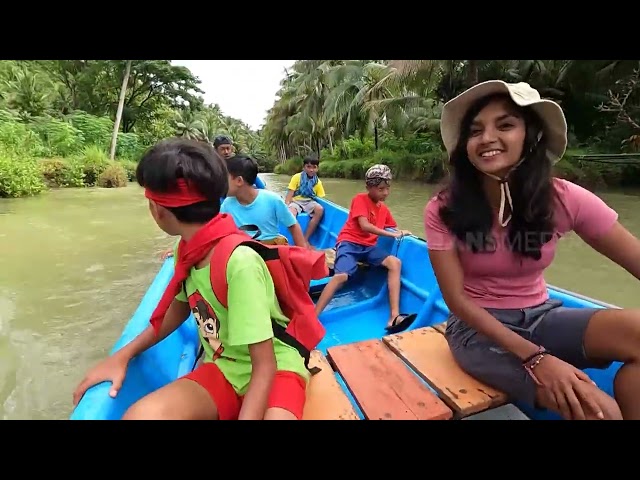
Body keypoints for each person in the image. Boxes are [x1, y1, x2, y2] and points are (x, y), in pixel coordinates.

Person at [424, 79, 640, 421]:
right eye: (475, 130)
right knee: (601, 411)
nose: (488, 138)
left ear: (532, 135)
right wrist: (536, 358)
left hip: (542, 314)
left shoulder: (564, 199)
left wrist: (539, 351)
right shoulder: (444, 208)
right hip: (477, 330)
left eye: (506, 125)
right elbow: (457, 302)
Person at [72, 138, 310, 420]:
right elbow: (179, 309)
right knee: (141, 416)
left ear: (157, 209)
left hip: (277, 370)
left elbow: (265, 366)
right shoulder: (187, 248)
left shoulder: (240, 263)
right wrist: (123, 354)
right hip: (223, 367)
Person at [314, 164, 415, 332]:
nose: (385, 193)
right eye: (381, 189)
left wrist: (401, 232)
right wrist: (393, 235)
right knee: (341, 276)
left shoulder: (384, 209)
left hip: (368, 247)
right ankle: (314, 315)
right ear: (369, 187)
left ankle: (394, 316)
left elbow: (393, 228)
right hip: (349, 243)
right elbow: (365, 225)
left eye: (387, 188)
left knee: (395, 263)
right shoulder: (360, 199)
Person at [222, 153, 307, 247]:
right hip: (243, 253)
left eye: (224, 178)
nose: (220, 182)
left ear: (239, 181)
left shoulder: (272, 200)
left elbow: (293, 225)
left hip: (271, 251)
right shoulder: (227, 205)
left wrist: (302, 253)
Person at [284, 155, 325, 243]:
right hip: (296, 201)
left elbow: (321, 199)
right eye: (308, 167)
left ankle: (305, 239)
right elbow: (289, 196)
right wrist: (286, 206)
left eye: (314, 167)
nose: (311, 170)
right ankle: (294, 239)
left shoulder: (318, 182)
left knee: (320, 209)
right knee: (291, 213)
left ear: (317, 168)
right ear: (304, 167)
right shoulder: (296, 177)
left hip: (309, 201)